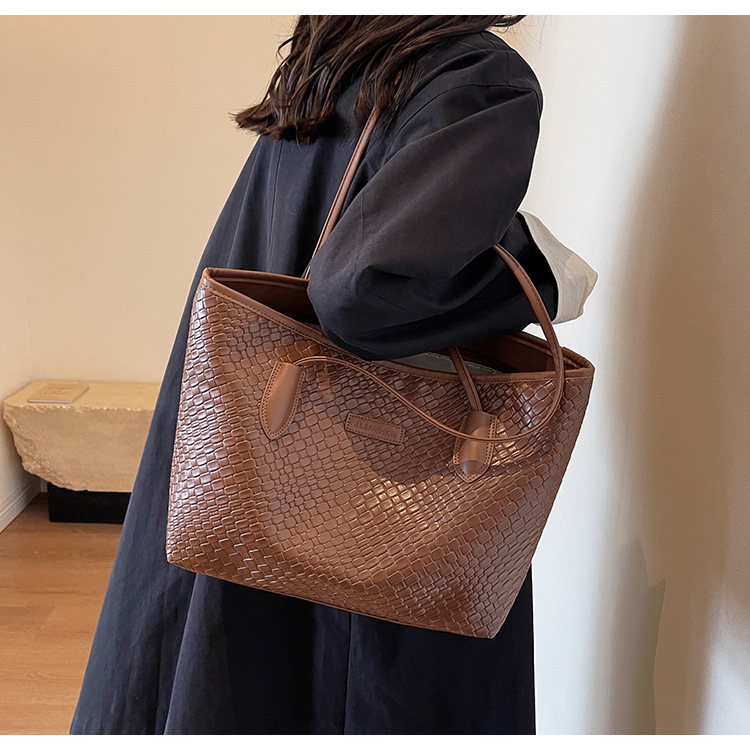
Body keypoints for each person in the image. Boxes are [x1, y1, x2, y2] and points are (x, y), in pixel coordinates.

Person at [70, 15, 597, 734]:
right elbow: (361, 290)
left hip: (246, 451)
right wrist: (541, 269)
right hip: (369, 497)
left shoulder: (332, 63)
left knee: (226, 671)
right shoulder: (474, 77)